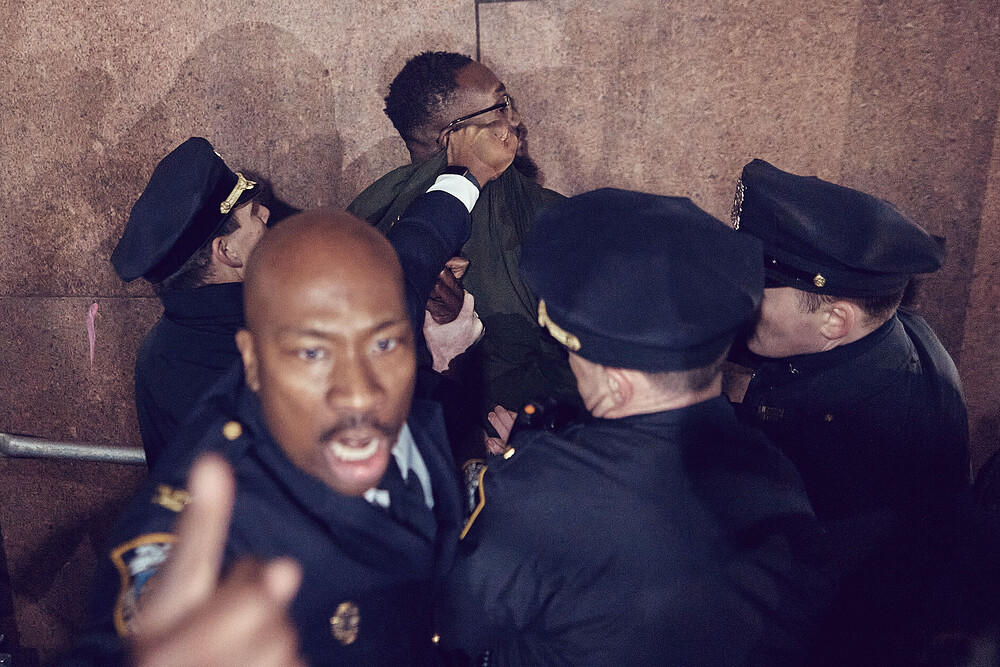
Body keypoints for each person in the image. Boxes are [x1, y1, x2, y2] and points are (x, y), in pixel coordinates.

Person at [68, 124, 516, 665]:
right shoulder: (216, 408)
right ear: (254, 362)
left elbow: (411, 258)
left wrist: (464, 178)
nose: (358, 392)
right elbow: (142, 611)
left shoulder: (264, 323)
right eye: (312, 354)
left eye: (385, 341)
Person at [439, 189, 836, 665]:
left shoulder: (536, 496)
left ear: (617, 383)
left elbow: (453, 631)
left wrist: (493, 468)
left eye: (575, 354)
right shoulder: (777, 473)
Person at [726, 159, 972, 664]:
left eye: (758, 288)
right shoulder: (874, 343)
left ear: (836, 319)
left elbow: (784, 594)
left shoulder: (863, 437)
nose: (740, 298)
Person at [348, 51, 581, 430]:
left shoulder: (365, 217)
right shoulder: (550, 222)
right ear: (454, 137)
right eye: (501, 106)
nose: (516, 121)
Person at [111, 137, 271, 470]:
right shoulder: (232, 355)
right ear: (226, 252)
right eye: (253, 213)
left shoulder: (166, 345)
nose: (267, 214)